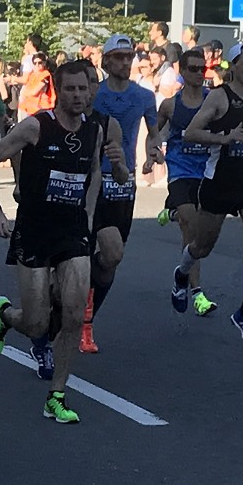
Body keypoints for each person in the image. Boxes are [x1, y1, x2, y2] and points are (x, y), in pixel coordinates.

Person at [0, 61, 107, 422]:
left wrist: (88, 215)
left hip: (71, 232)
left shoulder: (94, 131)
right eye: (71, 89)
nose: (78, 96)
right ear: (58, 90)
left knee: (72, 311)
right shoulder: (37, 126)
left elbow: (94, 171)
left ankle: (57, 395)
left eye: (83, 89)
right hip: (34, 230)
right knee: (36, 323)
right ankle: (4, 315)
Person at [176, 43, 243, 346]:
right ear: (233, 66)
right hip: (219, 183)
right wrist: (225, 138)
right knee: (202, 247)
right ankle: (182, 275)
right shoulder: (219, 97)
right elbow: (190, 133)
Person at [84, 34, 158, 351]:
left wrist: (154, 153)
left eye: (129, 57)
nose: (126, 62)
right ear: (106, 61)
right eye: (119, 57)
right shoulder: (92, 94)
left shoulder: (143, 97)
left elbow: (154, 135)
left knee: (111, 258)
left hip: (122, 182)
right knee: (79, 256)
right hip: (88, 181)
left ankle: (87, 319)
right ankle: (72, 319)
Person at [146, 49, 217, 316]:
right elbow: (154, 133)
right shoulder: (170, 105)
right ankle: (197, 293)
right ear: (183, 72)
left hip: (207, 172)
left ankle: (181, 275)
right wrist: (152, 155)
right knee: (190, 222)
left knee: (198, 235)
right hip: (179, 170)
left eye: (203, 69)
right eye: (194, 69)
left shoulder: (213, 101)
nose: (200, 74)